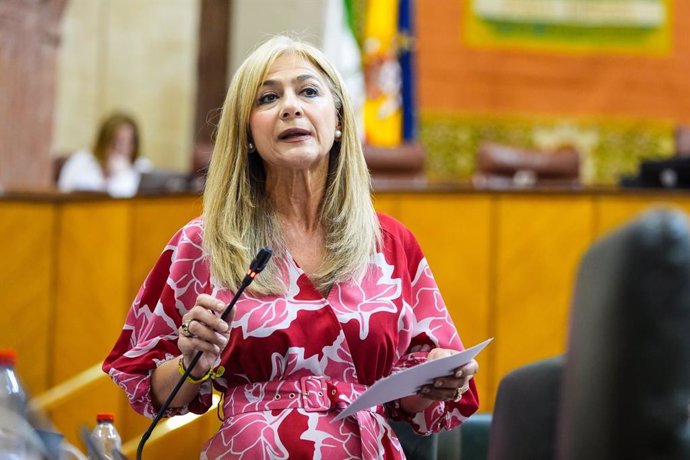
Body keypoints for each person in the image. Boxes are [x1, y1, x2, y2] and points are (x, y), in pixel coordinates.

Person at [103, 35, 479, 458]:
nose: (290, 106)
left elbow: (411, 402)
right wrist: (192, 363)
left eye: (308, 91)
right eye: (267, 97)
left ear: (338, 122)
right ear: (247, 133)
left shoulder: (390, 244)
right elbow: (150, 390)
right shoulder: (203, 243)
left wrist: (439, 379)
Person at [57, 112, 152, 197]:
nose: (123, 149)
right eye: (116, 142)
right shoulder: (82, 161)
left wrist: (122, 175)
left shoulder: (142, 167)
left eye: (129, 143)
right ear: (104, 142)